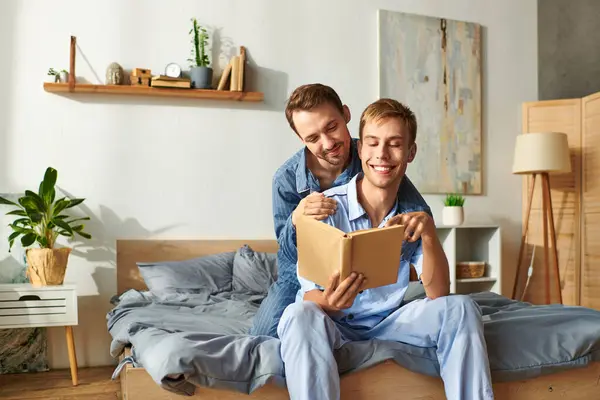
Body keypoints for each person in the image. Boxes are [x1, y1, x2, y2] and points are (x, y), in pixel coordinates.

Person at [277, 98, 494, 400]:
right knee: (297, 315)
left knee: (462, 307)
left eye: (394, 144)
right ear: (360, 149)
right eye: (373, 143)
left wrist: (429, 235)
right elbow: (309, 294)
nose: (382, 154)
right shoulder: (326, 207)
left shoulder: (413, 214)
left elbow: (438, 293)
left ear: (410, 153)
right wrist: (331, 301)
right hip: (334, 325)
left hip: (389, 323)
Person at [250, 84, 431, 337]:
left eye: (332, 127)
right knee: (264, 336)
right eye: (312, 138)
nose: (327, 143)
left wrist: (402, 259)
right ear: (302, 139)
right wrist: (296, 221)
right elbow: (288, 253)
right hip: (300, 276)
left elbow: (417, 211)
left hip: (363, 275)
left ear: (346, 114)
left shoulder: (372, 154)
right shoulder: (285, 180)